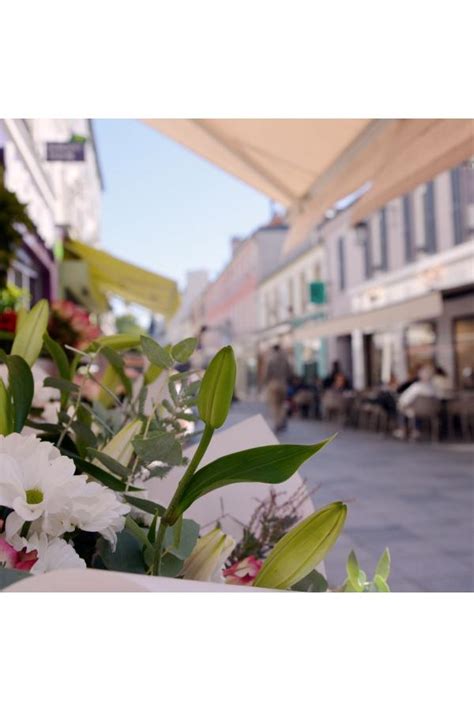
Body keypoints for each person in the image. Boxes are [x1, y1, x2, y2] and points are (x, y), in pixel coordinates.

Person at [393, 365, 437, 440]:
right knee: (411, 409)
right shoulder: (434, 387)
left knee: (402, 407)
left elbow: (404, 399)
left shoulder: (416, 387)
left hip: (416, 411)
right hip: (432, 412)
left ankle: (403, 430)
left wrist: (401, 404)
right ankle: (415, 430)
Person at [263, 344, 292, 432]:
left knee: (274, 405)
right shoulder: (285, 358)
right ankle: (281, 421)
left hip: (273, 384)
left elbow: (267, 373)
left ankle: (277, 423)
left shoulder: (271, 359)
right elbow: (289, 372)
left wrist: (266, 383)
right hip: (283, 384)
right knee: (282, 404)